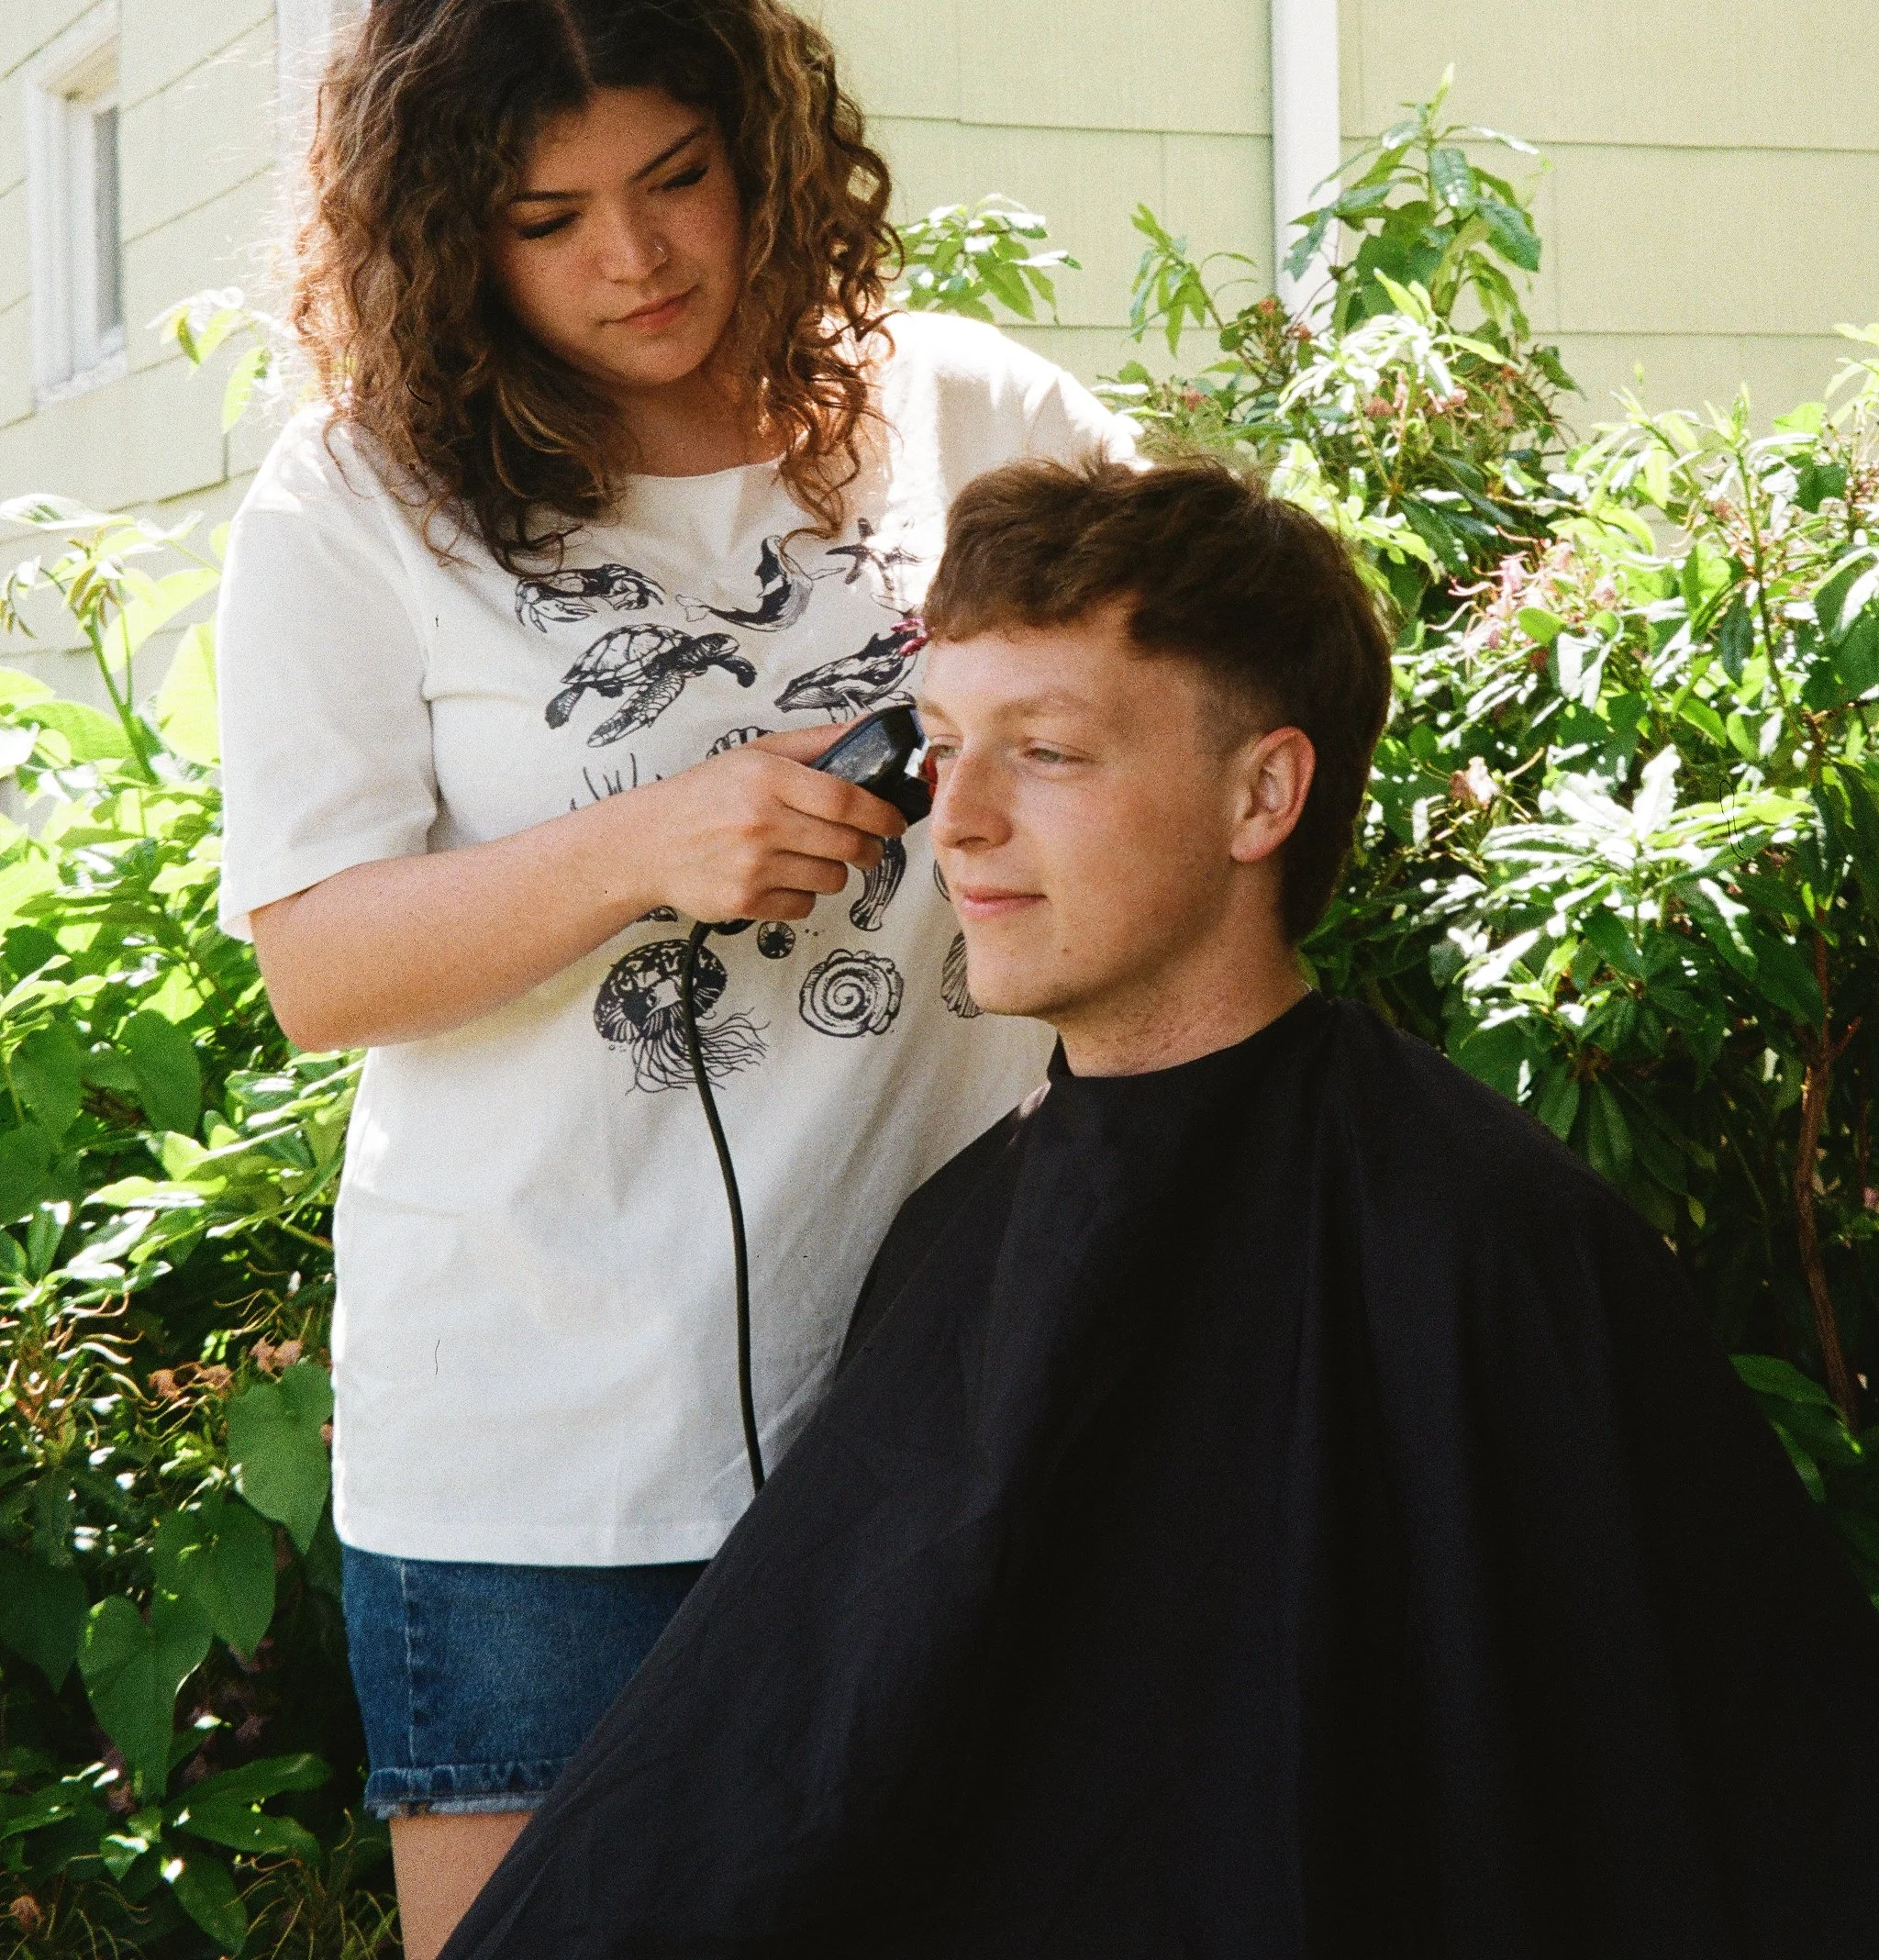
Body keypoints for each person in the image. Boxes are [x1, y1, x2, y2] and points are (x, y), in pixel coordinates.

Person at [440, 455, 1879, 1960]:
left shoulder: (1489, 1245)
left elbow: (1735, 1809)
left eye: (1047, 753)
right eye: (940, 748)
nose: (962, 825)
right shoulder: (960, 1238)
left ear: (1265, 792)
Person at [213, 0, 1132, 1960]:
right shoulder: (356, 504)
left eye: (676, 177)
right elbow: (320, 961)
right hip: (539, 1461)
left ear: (761, 145)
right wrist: (647, 842)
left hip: (940, 1408)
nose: (631, 256)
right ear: (449, 234)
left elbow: (1199, 668)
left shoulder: (957, 409)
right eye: (546, 218)